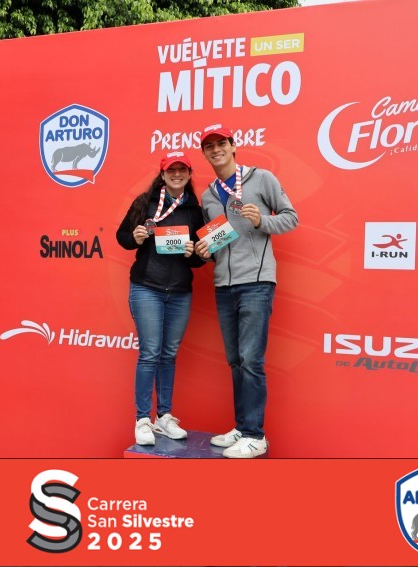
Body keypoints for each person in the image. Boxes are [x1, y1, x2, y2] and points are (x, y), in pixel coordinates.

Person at [194, 124, 298, 458]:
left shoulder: (261, 178)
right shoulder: (209, 195)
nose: (216, 150)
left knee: (251, 360)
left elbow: (291, 218)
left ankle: (256, 435)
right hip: (224, 285)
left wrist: (261, 222)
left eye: (221, 143)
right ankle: (242, 427)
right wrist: (205, 250)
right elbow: (219, 239)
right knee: (236, 361)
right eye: (209, 146)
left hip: (256, 282)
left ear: (233, 145)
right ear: (205, 153)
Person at [116, 151, 205, 446]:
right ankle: (142, 419)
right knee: (150, 353)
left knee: (169, 354)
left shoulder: (195, 210)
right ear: (163, 174)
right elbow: (122, 237)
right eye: (171, 170)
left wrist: (194, 254)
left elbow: (202, 257)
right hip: (147, 288)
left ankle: (164, 417)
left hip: (180, 291)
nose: (177, 174)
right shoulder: (145, 202)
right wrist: (136, 237)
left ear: (189, 174)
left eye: (182, 170)